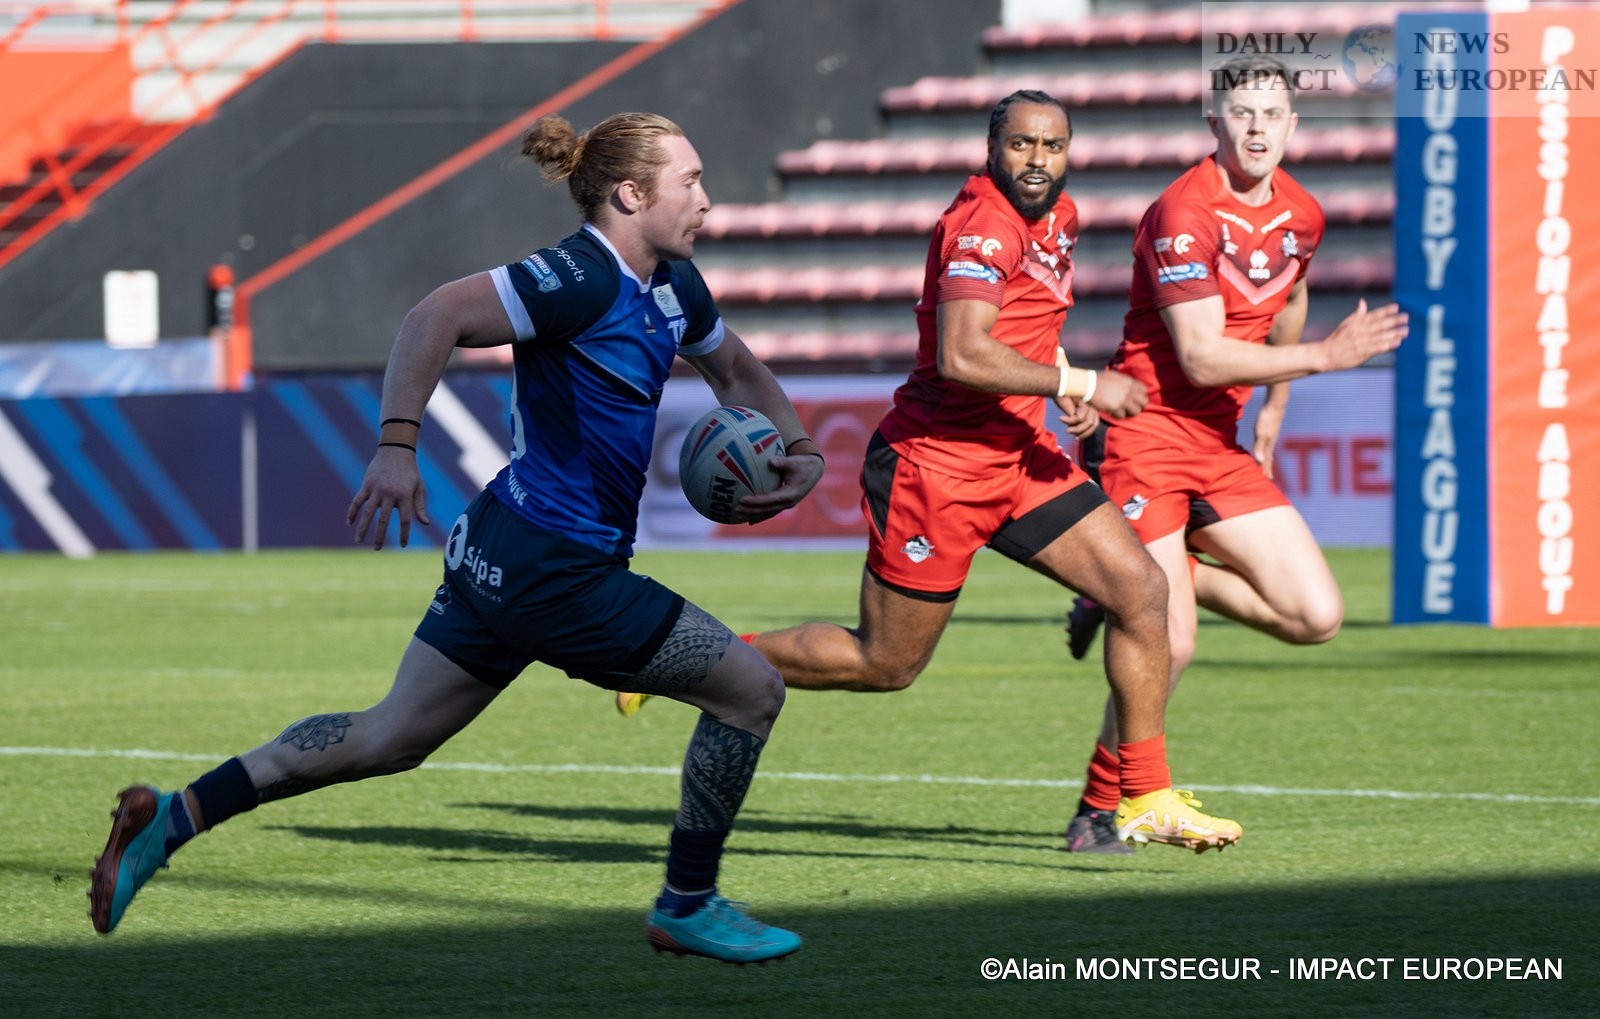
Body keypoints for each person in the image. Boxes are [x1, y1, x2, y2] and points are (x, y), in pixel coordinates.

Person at [87, 111, 825, 963]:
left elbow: (735, 369)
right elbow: (434, 314)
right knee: (750, 690)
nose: (706, 199)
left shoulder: (674, 285)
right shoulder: (580, 276)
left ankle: (170, 819)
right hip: (559, 569)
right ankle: (687, 902)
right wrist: (396, 447)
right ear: (631, 194)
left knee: (386, 735)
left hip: (501, 546)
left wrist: (800, 448)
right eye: (689, 181)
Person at [620, 90, 1243, 855]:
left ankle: (1143, 796)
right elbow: (962, 353)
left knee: (1141, 590)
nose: (1037, 160)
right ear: (992, 148)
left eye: (1052, 146)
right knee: (884, 663)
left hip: (1018, 459)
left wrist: (1060, 385)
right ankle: (692, 658)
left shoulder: (1061, 216)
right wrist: (1082, 381)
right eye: (1021, 144)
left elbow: (1022, 325)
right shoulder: (983, 225)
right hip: (936, 468)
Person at [1060, 55, 1409, 850]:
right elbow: (1201, 357)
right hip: (1143, 434)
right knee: (1171, 639)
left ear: (1293, 125)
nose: (1257, 128)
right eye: (1242, 113)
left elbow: (1291, 296)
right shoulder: (1183, 211)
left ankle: (1139, 582)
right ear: (1214, 121)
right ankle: (1101, 805)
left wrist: (1276, 407)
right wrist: (1323, 359)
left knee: (1316, 616)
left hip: (1215, 446)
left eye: (1272, 114)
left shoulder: (1302, 213)